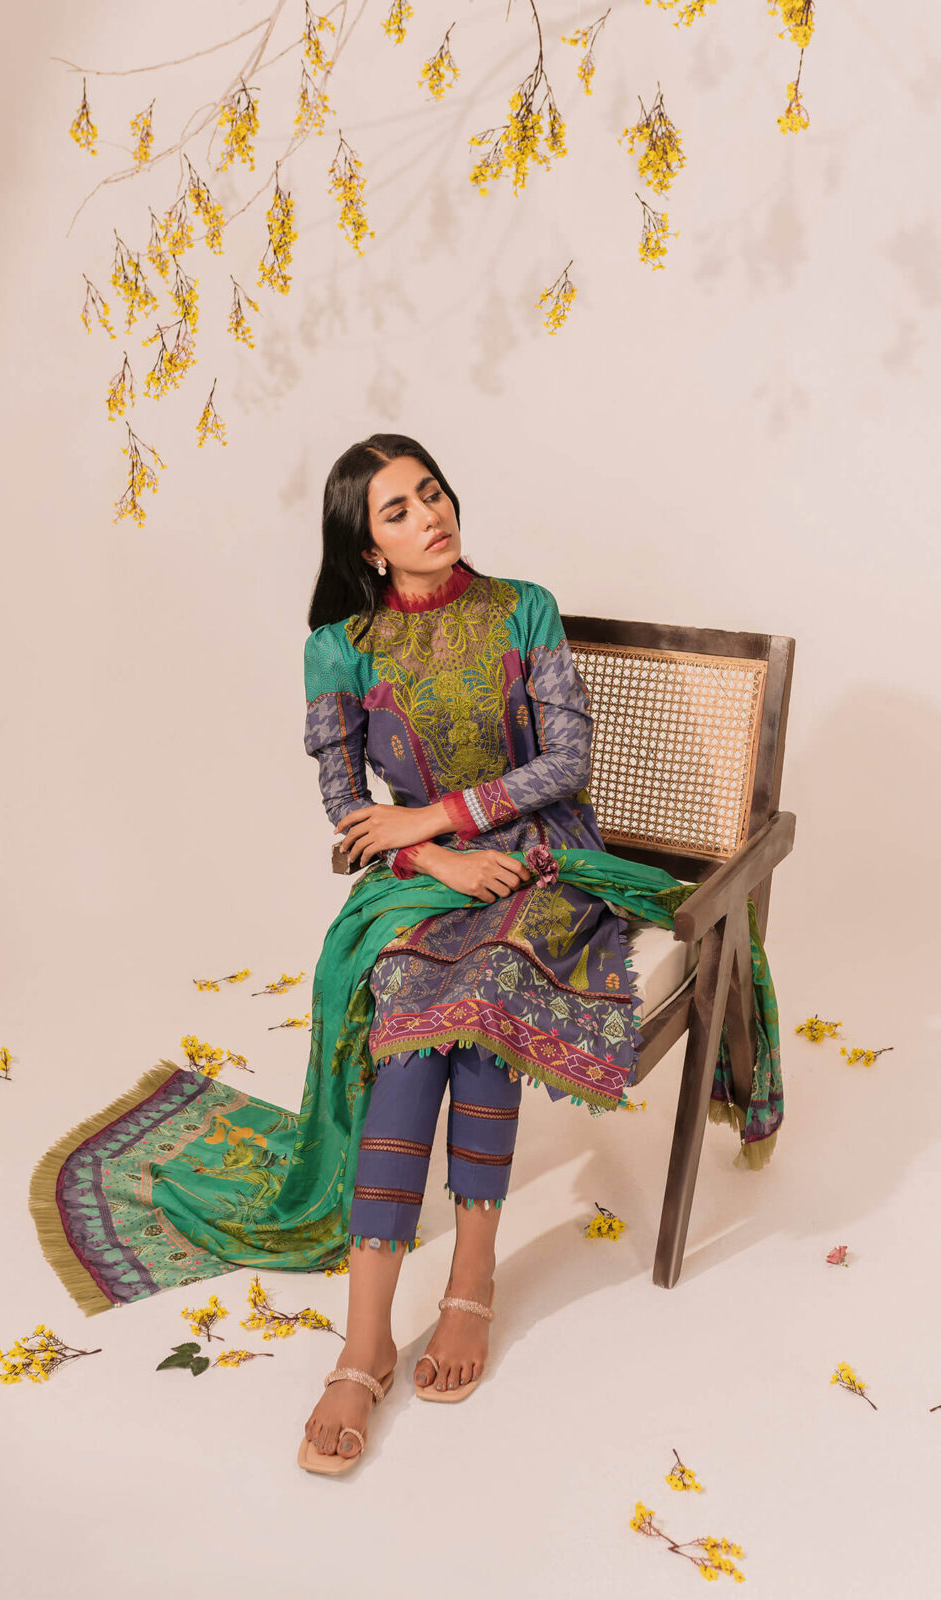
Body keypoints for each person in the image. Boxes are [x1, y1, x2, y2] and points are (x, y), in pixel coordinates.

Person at [299, 433, 644, 1472]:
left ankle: (470, 1280)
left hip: (547, 853)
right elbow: (347, 810)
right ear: (367, 545)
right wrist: (437, 856)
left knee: (488, 989)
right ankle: (365, 1338)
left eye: (433, 492)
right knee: (413, 1009)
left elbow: (566, 761)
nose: (430, 516)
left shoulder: (523, 607)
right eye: (398, 509)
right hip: (428, 870)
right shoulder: (339, 645)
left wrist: (440, 813)